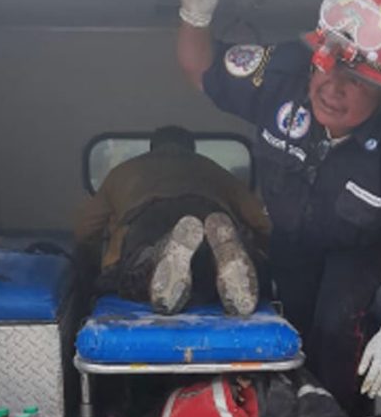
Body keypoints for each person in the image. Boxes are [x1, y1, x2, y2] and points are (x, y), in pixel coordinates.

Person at [177, 0, 381, 417]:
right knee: (291, 324)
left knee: (336, 326)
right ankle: (288, 414)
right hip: (291, 235)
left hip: (360, 247)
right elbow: (200, 69)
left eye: (356, 82)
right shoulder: (282, 75)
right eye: (327, 64)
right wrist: (194, 15)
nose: (332, 87)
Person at [75, 125, 270, 316]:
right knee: (207, 271)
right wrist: (260, 249)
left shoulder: (122, 172)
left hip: (146, 219)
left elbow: (85, 228)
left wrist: (93, 258)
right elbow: (261, 221)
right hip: (208, 212)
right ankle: (222, 256)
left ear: (152, 147)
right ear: (192, 149)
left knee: (136, 273)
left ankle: (156, 255)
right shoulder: (215, 170)